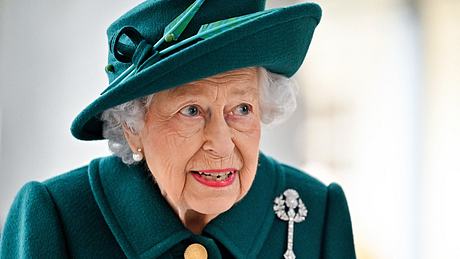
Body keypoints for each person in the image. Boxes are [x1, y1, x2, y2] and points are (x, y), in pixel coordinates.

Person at [0, 0, 355, 258]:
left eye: (242, 109)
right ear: (131, 126)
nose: (220, 143)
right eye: (191, 110)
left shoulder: (316, 212)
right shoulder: (57, 217)